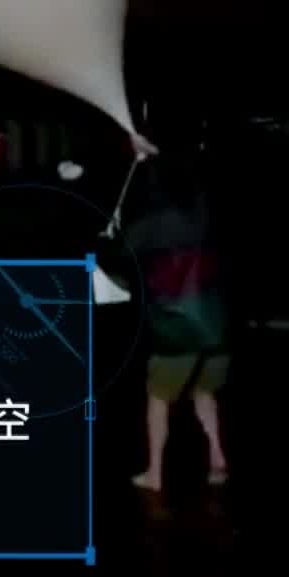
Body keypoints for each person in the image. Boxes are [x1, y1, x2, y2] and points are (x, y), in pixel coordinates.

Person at [124, 146, 229, 495]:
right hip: (216, 327)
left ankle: (155, 473)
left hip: (177, 330)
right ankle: (217, 457)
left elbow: (121, 255)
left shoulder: (151, 224)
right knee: (205, 393)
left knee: (158, 399)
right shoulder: (205, 213)